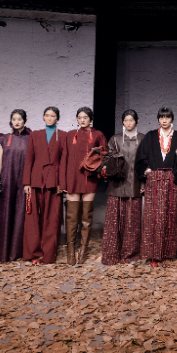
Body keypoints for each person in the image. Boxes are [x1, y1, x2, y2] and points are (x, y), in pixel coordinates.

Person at [136, 107, 177, 267]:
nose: (164, 120)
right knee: (153, 217)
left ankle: (167, 252)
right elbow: (141, 157)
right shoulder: (150, 136)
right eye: (162, 117)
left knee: (169, 216)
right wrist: (148, 171)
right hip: (154, 179)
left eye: (167, 117)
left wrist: (176, 174)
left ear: (172, 119)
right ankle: (153, 254)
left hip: (171, 179)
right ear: (158, 119)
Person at [61, 107, 106, 265]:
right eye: (79, 117)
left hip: (89, 179)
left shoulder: (98, 135)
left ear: (91, 118)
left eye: (85, 117)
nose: (82, 120)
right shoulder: (70, 135)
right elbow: (64, 158)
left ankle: (83, 250)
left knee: (86, 217)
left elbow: (104, 156)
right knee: (72, 217)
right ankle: (70, 251)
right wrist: (63, 182)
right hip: (72, 178)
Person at [101, 110, 145, 265]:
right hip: (117, 184)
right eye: (126, 120)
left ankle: (130, 255)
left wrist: (144, 183)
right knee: (114, 221)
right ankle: (112, 254)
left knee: (133, 222)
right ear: (122, 122)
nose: (128, 123)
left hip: (135, 184)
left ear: (137, 121)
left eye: (131, 120)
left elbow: (146, 163)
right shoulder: (115, 139)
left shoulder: (142, 139)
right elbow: (107, 158)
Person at [21, 107, 63, 264]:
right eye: (47, 115)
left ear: (57, 118)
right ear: (43, 117)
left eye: (53, 116)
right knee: (32, 218)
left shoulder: (63, 135)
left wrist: (61, 183)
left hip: (54, 181)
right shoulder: (35, 134)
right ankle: (33, 253)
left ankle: (48, 254)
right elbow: (29, 159)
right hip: (35, 180)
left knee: (51, 219)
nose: (49, 118)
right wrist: (26, 182)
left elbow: (64, 160)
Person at [0, 109, 30, 263]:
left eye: (19, 119)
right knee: (6, 213)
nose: (16, 122)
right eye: (14, 119)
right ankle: (3, 250)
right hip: (7, 179)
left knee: (21, 213)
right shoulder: (4, 139)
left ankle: (17, 251)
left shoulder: (31, 138)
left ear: (25, 120)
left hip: (23, 180)